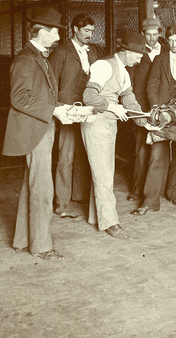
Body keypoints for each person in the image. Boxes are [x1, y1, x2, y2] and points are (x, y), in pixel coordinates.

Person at [2, 6, 76, 260]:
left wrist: (59, 108)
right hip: (35, 131)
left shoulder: (38, 56)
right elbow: (20, 98)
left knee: (31, 185)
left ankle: (22, 240)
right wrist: (53, 111)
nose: (58, 35)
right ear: (42, 31)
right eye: (55, 30)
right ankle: (42, 247)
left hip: (41, 127)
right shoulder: (25, 60)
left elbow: (41, 94)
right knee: (43, 189)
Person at [81, 31, 149, 239]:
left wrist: (145, 122)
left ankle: (97, 217)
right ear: (127, 52)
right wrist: (112, 106)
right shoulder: (104, 66)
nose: (140, 59)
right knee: (103, 174)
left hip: (109, 126)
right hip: (95, 123)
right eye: (138, 55)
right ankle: (111, 222)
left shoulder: (124, 71)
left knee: (104, 172)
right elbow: (88, 96)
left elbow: (129, 100)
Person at [133, 24, 176, 214]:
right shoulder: (159, 59)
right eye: (170, 40)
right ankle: (150, 201)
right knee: (156, 155)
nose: (173, 44)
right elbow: (151, 85)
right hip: (162, 112)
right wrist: (155, 106)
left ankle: (173, 192)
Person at [48, 13, 99, 219]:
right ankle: (61, 202)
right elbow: (51, 82)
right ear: (75, 29)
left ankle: (79, 195)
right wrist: (59, 107)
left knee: (84, 154)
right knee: (65, 157)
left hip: (88, 109)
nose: (89, 35)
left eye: (91, 31)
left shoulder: (93, 52)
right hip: (68, 111)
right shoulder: (61, 52)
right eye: (86, 31)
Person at [127, 17, 166, 202]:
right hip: (141, 108)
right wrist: (133, 110)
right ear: (143, 34)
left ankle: (158, 191)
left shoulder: (166, 52)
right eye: (148, 35)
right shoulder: (137, 52)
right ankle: (136, 190)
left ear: (160, 33)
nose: (151, 39)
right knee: (141, 150)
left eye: (155, 34)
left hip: (161, 108)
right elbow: (131, 83)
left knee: (159, 150)